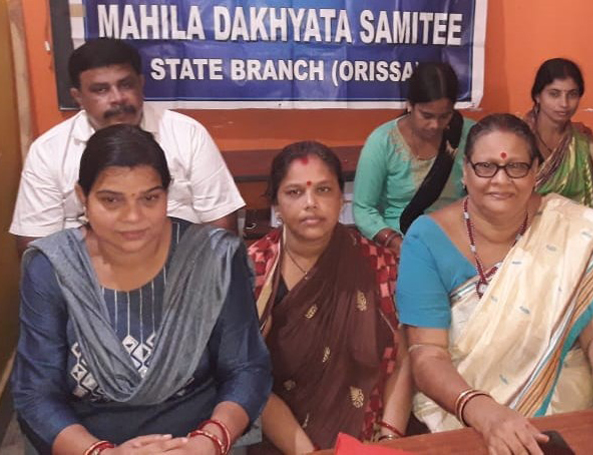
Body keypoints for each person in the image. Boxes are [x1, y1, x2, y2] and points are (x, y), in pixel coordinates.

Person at [397, 114, 593, 455]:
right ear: (465, 172)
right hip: (466, 414)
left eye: (516, 167)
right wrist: (485, 414)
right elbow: (427, 353)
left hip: (568, 409)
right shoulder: (427, 238)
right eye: (486, 166)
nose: (500, 180)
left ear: (535, 172)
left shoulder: (566, 226)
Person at [12, 125, 271, 454]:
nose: (133, 217)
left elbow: (246, 368)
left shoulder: (212, 260)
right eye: (111, 200)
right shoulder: (53, 268)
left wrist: (209, 441)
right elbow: (36, 393)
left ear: (167, 194)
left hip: (198, 439)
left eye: (149, 198)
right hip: (87, 443)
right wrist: (104, 452)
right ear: (82, 197)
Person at [10, 38, 244, 256]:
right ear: (78, 96)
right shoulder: (48, 151)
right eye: (101, 90)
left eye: (126, 85)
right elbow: (35, 246)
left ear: (141, 84)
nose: (118, 98)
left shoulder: (187, 134)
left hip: (182, 269)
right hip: (88, 275)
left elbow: (221, 226)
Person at [248, 141, 411, 453]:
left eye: (323, 190)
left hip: (368, 438)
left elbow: (402, 362)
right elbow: (249, 378)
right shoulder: (254, 270)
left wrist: (388, 442)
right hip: (278, 440)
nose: (310, 203)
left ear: (341, 199)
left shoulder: (380, 265)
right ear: (276, 205)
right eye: (294, 192)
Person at [353, 62, 475, 255]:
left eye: (445, 116)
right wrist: (395, 243)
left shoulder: (471, 136)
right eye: (426, 115)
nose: (435, 125)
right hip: (401, 241)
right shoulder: (383, 142)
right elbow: (363, 209)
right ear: (410, 105)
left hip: (457, 241)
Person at [524, 58, 593, 208]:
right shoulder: (517, 137)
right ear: (538, 96)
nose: (564, 104)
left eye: (572, 94)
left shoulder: (582, 141)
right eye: (554, 94)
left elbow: (592, 201)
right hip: (522, 221)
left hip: (574, 222)